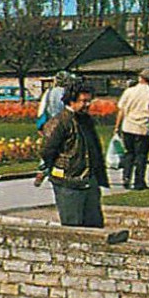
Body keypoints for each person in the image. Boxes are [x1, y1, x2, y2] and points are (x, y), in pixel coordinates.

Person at [32, 79, 106, 228]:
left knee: (94, 226)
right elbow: (46, 150)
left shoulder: (86, 120)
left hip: (88, 181)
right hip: (68, 183)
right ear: (71, 101)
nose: (87, 105)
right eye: (83, 101)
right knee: (73, 226)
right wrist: (60, 168)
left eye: (89, 101)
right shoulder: (60, 122)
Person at [114, 68, 149, 190]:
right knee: (141, 156)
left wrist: (117, 126)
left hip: (128, 126)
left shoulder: (129, 92)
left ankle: (126, 177)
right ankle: (139, 181)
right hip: (144, 128)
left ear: (140, 78)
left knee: (129, 154)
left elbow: (121, 110)